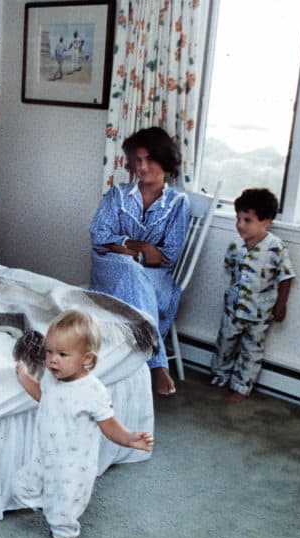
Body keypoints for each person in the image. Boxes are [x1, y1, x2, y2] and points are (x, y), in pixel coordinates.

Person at [12, 309, 154, 538]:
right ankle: (44, 502)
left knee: (63, 514)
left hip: (71, 468)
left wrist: (128, 438)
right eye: (50, 352)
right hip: (45, 454)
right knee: (23, 485)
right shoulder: (53, 377)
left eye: (62, 355)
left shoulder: (93, 392)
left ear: (87, 359)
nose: (52, 360)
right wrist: (24, 379)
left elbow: (109, 424)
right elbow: (45, 396)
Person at [89, 126, 191, 396]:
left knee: (133, 272)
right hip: (110, 268)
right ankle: (157, 363)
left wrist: (123, 245)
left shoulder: (178, 203)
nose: (142, 167)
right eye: (138, 160)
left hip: (153, 277)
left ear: (164, 161)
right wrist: (141, 247)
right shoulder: (118, 195)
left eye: (150, 159)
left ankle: (134, 362)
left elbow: (167, 256)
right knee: (126, 266)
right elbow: (98, 235)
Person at [210, 188, 294, 402]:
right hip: (233, 308)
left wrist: (281, 305)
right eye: (238, 219)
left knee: (251, 351)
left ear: (266, 221)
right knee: (225, 344)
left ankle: (241, 386)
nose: (240, 225)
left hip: (260, 313)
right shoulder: (235, 245)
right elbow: (230, 269)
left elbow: (286, 277)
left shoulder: (275, 247)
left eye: (247, 220)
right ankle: (220, 377)